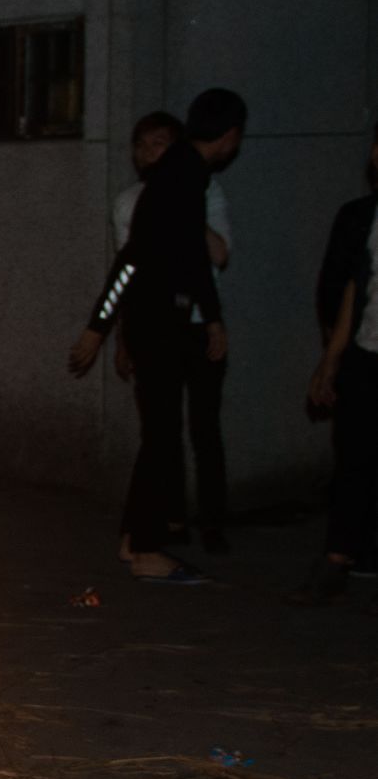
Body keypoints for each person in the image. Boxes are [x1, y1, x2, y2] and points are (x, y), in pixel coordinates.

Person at [69, 90, 246, 584]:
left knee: (160, 438)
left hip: (153, 324)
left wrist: (97, 327)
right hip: (159, 326)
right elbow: (183, 259)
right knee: (161, 439)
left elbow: (133, 258)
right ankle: (146, 549)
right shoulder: (184, 176)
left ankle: (135, 539)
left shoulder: (179, 177)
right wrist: (210, 318)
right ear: (231, 137)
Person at [113, 110, 236, 552]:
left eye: (159, 144)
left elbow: (217, 256)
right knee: (160, 430)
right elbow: (126, 271)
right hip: (156, 326)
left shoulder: (207, 189)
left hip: (202, 324)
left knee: (204, 426)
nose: (148, 153)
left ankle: (213, 522)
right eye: (142, 145)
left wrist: (184, 204)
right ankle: (169, 519)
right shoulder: (128, 201)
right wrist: (120, 336)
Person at [292, 118, 378, 606]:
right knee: (353, 458)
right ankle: (339, 559)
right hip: (367, 354)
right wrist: (330, 360)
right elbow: (353, 289)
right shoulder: (366, 220)